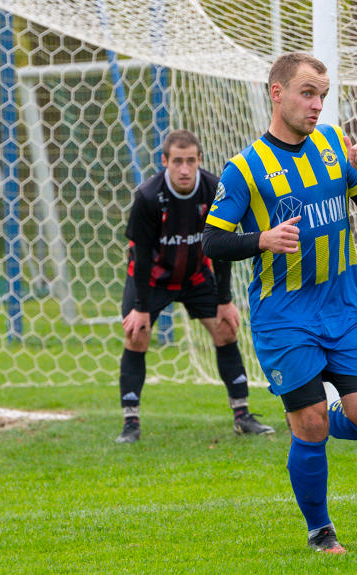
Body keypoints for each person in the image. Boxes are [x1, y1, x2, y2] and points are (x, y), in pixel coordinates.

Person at [202, 53, 357, 554]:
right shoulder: (245, 168)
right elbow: (213, 242)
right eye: (308, 93)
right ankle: (320, 530)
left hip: (344, 310)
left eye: (323, 96)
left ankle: (319, 414)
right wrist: (260, 239)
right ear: (278, 93)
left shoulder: (333, 144)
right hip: (284, 316)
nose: (317, 105)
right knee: (307, 425)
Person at [115, 129, 274, 443]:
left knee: (226, 328)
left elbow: (224, 245)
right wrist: (141, 309)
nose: (184, 169)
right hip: (152, 277)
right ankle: (130, 424)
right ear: (164, 162)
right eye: (177, 161)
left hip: (196, 275)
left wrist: (225, 299)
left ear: (200, 160)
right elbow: (142, 254)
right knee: (137, 334)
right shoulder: (148, 196)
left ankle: (242, 415)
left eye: (190, 161)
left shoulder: (214, 189)